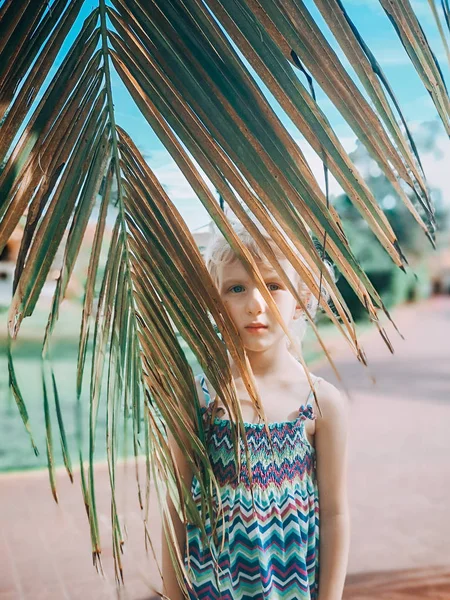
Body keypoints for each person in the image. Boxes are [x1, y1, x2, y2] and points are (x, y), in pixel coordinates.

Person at [162, 219, 350, 600]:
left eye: (273, 285)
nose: (255, 304)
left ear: (300, 301)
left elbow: (334, 514)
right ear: (217, 304)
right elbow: (176, 509)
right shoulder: (198, 399)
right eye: (236, 288)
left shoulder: (320, 404)